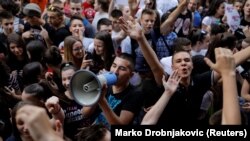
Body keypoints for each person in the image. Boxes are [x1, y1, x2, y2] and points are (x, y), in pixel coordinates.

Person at [118, 15, 250, 126]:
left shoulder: (199, 81)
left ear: (192, 65)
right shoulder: (168, 83)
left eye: (187, 60)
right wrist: (141, 39)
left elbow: (230, 64)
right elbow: (155, 66)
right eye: (179, 61)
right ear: (172, 67)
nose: (183, 64)